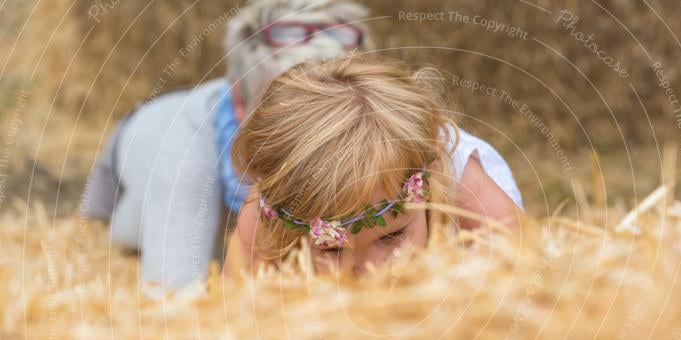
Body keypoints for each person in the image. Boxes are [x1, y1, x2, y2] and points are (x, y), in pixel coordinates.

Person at [80, 0, 372, 290]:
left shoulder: (371, 116)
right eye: (289, 118)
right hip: (131, 147)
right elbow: (170, 292)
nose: (314, 138)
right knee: (126, 235)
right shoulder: (186, 155)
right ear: (240, 105)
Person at [225, 56, 524, 278]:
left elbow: (525, 262)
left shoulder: (459, 180)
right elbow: (234, 309)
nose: (371, 270)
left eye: (391, 236)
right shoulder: (267, 213)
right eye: (333, 249)